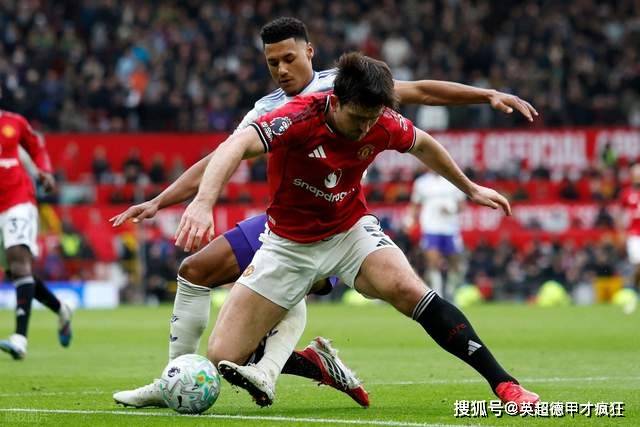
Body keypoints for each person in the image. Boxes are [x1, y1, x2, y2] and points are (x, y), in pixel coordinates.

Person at [111, 17, 538, 408]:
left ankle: (505, 384)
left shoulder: (367, 98)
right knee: (223, 351)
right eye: (273, 62)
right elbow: (228, 151)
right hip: (287, 239)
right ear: (337, 103)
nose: (367, 128)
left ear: (310, 52)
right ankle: (302, 361)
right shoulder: (283, 115)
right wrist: (188, 202)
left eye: (289, 58)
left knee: (409, 289)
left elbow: (422, 125)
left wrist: (471, 181)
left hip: (348, 229)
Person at [0, 109, 73, 360]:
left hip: (18, 201)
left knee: (18, 261)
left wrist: (45, 171)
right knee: (16, 272)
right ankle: (61, 309)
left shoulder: (14, 122)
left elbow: (36, 147)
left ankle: (19, 339)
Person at [407, 169, 467, 299]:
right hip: (430, 228)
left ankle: (451, 292)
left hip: (451, 228)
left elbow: (462, 205)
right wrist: (410, 220)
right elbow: (415, 205)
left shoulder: (455, 179)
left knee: (455, 263)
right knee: (433, 261)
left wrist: (452, 210)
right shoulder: (421, 183)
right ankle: (437, 295)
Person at [619, 163, 640, 314]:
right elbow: (620, 214)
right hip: (634, 235)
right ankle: (633, 291)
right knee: (638, 264)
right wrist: (621, 233)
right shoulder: (627, 194)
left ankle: (633, 291)